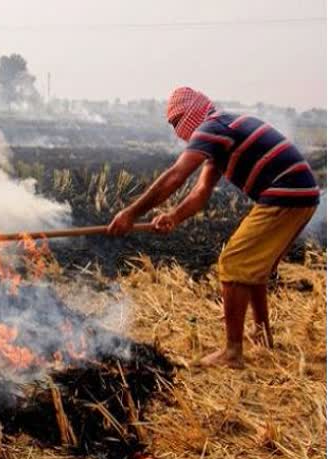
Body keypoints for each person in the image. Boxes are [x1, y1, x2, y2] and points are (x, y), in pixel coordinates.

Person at [107, 87, 319, 369]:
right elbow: (201, 191)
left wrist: (131, 214)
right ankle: (263, 336)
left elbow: (175, 176)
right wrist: (174, 216)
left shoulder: (212, 126)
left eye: (176, 122)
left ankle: (232, 353)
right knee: (254, 268)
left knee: (233, 264)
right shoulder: (221, 133)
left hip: (286, 192)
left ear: (193, 111)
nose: (177, 131)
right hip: (300, 193)